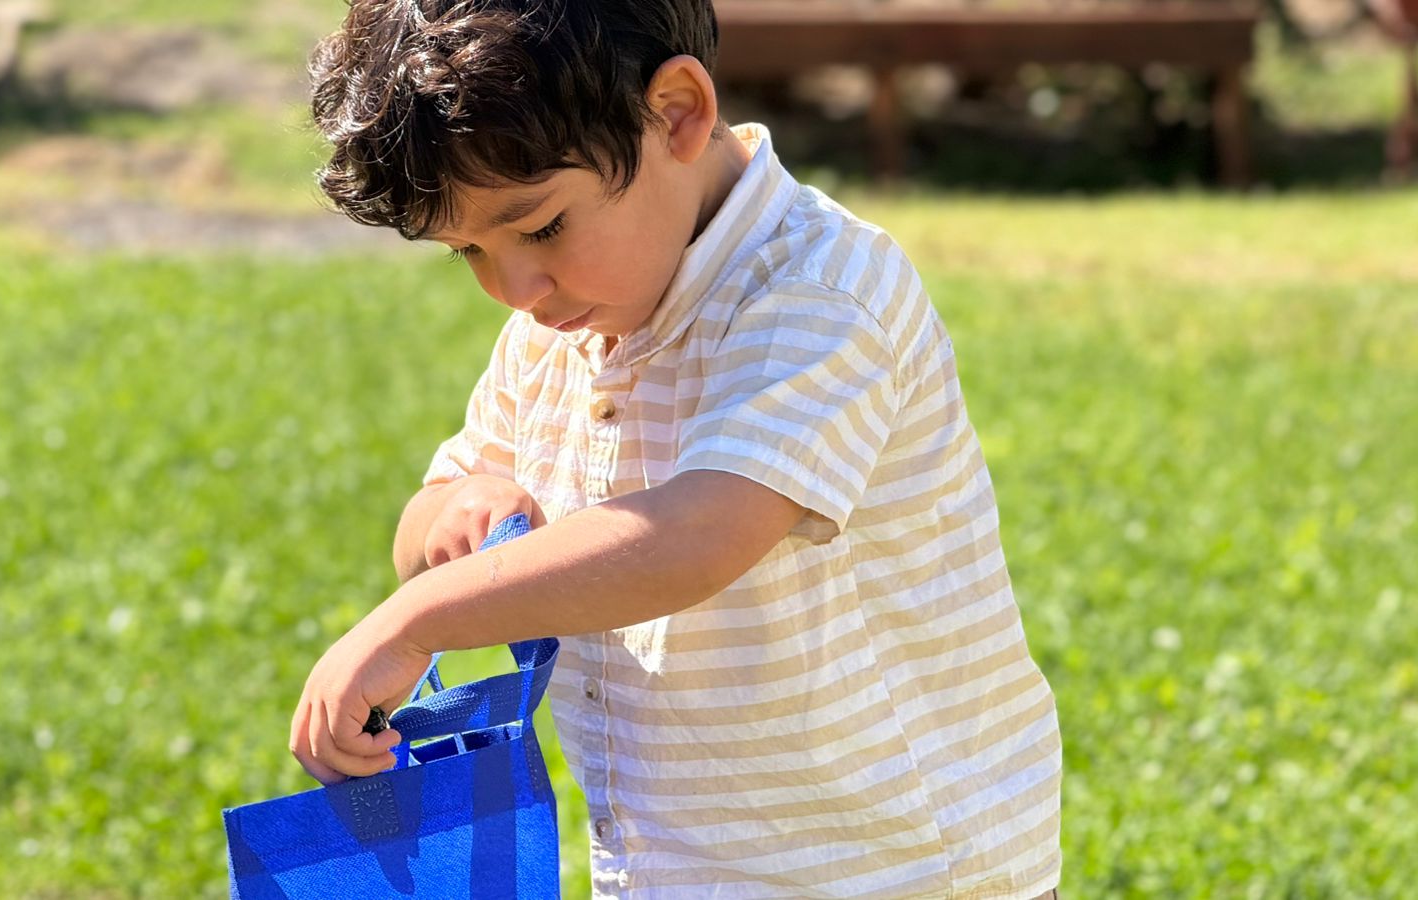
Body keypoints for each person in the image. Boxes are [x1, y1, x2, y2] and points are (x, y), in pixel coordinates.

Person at [289, 1, 1062, 896]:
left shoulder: (816, 294)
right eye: (468, 250)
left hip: (889, 863)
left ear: (676, 115)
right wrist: (449, 525)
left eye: (540, 228)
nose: (514, 287)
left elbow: (692, 537)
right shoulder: (562, 325)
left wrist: (417, 620)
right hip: (684, 863)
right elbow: (442, 503)